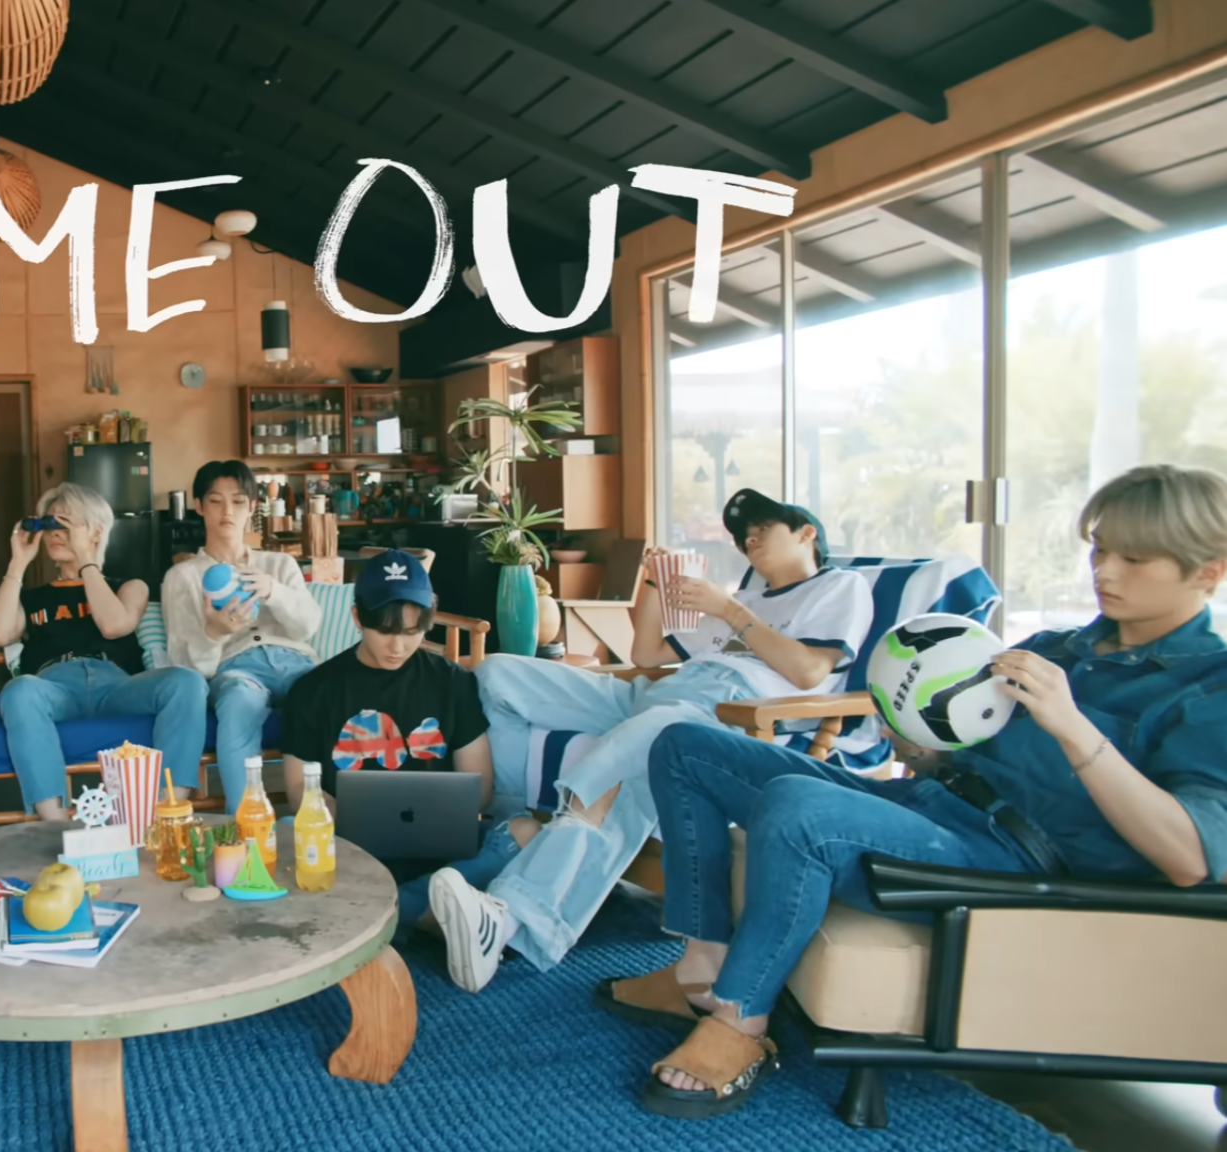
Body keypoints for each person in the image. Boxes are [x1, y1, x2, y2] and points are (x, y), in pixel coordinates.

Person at [602, 463, 1227, 1120]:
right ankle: (699, 970)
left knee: (799, 805)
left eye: (1134, 559)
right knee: (685, 745)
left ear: (1207, 572)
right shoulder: (1059, 647)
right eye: (1099, 550)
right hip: (932, 807)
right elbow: (970, 751)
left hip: (1011, 863)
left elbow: (1189, 857)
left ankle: (739, 1024)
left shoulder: (1207, 690)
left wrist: (1072, 727)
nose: (1104, 571)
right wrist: (920, 748)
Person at [429, 489, 873, 993]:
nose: (749, 541)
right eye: (743, 537)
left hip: (729, 713)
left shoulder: (839, 587)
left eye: (761, 529)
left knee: (643, 741)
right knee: (497, 675)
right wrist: (654, 585)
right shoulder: (743, 598)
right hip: (662, 692)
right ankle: (513, 834)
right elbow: (647, 652)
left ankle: (510, 918)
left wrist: (730, 610)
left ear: (806, 533)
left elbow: (809, 670)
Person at [279, 550, 494, 927]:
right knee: (280, 837)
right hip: (351, 851)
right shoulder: (313, 691)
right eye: (385, 631)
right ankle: (432, 911)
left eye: (412, 632)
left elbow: (481, 788)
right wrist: (349, 825)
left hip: (442, 851)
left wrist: (432, 821)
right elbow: (300, 788)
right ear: (357, 618)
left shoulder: (453, 682)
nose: (397, 647)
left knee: (523, 833)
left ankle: (393, 912)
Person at [0, 482, 209, 821]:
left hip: (117, 685)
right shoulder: (31, 599)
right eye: (50, 525)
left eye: (66, 524)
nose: (55, 533)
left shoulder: (129, 587)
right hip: (54, 686)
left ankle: (168, 809)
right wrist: (18, 563)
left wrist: (87, 560)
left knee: (186, 682)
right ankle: (55, 821)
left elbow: (113, 625)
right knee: (19, 690)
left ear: (97, 532)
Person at [160, 461, 322, 804]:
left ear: (252, 506)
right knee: (238, 705)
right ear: (199, 506)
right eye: (215, 501)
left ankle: (329, 817)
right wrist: (214, 631)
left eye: (237, 501)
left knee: (329, 694)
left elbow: (308, 626)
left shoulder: (279, 565)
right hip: (237, 669)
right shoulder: (183, 577)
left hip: (297, 663)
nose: (227, 512)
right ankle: (246, 825)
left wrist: (273, 591)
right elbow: (184, 662)